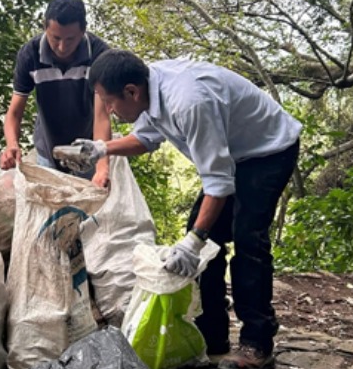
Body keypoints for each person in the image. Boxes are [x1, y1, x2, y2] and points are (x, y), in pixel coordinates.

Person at [60, 50, 301, 369]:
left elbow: (218, 183)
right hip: (235, 154)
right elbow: (145, 139)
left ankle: (257, 344)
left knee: (247, 239)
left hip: (268, 151)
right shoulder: (148, 88)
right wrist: (102, 149)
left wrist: (193, 241)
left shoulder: (189, 102)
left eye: (109, 102)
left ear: (131, 92)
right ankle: (212, 335)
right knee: (207, 243)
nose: (108, 110)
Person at [0, 0, 111, 187]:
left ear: (83, 30)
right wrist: (12, 145)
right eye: (55, 38)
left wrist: (102, 168)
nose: (62, 47)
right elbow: (14, 112)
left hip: (88, 151)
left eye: (70, 39)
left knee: (90, 200)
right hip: (47, 151)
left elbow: (102, 116)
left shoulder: (99, 55)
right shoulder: (30, 54)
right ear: (45, 27)